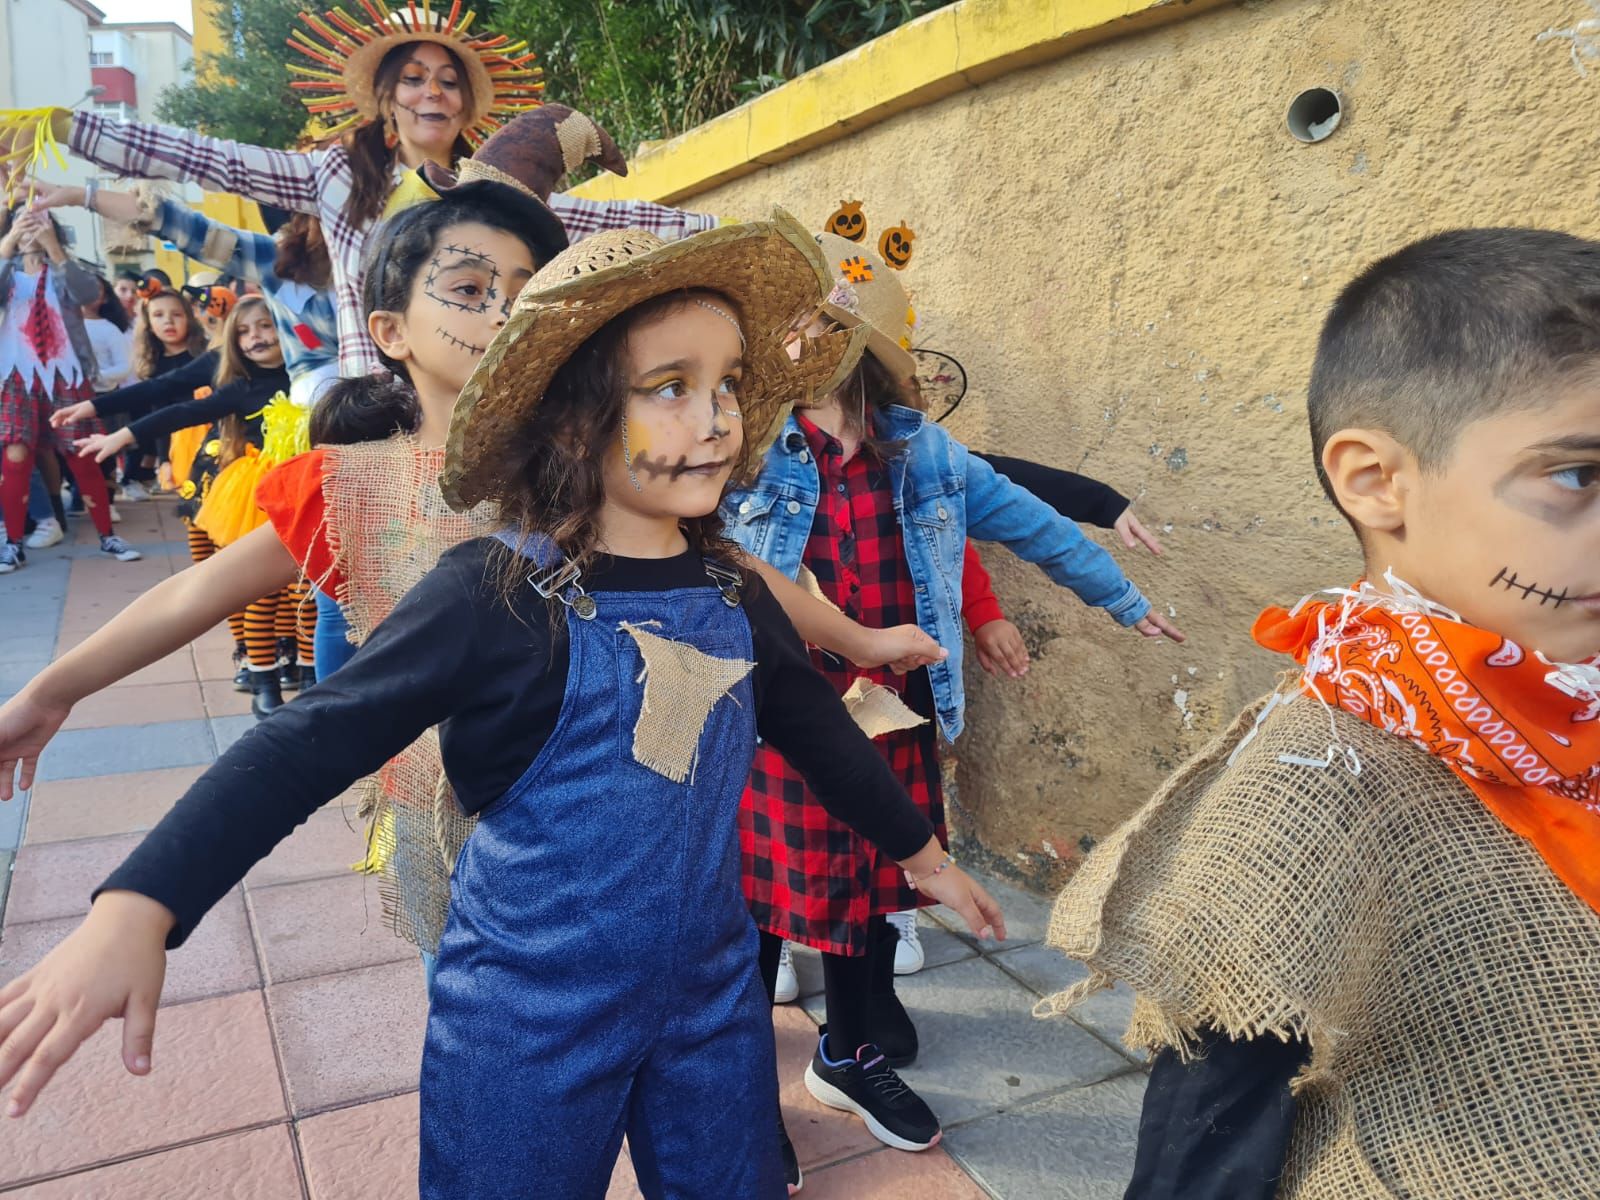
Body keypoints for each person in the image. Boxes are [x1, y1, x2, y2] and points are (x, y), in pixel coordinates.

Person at [0, 211, 1006, 1200]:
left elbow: (810, 724)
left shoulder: (732, 593)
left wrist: (916, 851)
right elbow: (307, 744)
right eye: (670, 387)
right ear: (573, 417)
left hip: (711, 996)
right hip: (527, 1014)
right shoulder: (493, 593)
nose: (715, 418)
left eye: (728, 384)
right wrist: (139, 906)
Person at [1041, 227, 1600, 1200]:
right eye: (1576, 478)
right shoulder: (1305, 792)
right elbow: (1198, 1161)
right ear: (1376, 482)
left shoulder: (1570, 695)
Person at [728, 227, 1184, 1160]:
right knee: (754, 904)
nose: (799, 343)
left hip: (894, 713)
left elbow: (1032, 521)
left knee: (873, 884)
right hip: (780, 717)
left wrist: (1124, 600)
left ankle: (848, 1056)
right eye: (792, 325)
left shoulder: (925, 454)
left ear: (865, 349)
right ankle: (732, 1090)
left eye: (822, 324)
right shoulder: (746, 449)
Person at [3, 6, 715, 376]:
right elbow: (209, 157)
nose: (431, 90)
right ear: (387, 97)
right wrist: (69, 128)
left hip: (474, 412)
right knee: (353, 621)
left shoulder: (495, 191)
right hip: (366, 414)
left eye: (448, 80)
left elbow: (609, 218)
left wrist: (728, 235)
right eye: (413, 77)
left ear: (467, 107)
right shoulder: (335, 178)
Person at [0, 206, 139, 570]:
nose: (31, 229)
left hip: (67, 373)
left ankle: (108, 535)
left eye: (39, 222)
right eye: (22, 222)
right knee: (15, 456)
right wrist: (10, 240)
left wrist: (54, 247)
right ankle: (13, 544)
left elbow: (87, 293)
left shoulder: (64, 269)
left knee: (83, 453)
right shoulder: (8, 271)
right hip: (17, 374)